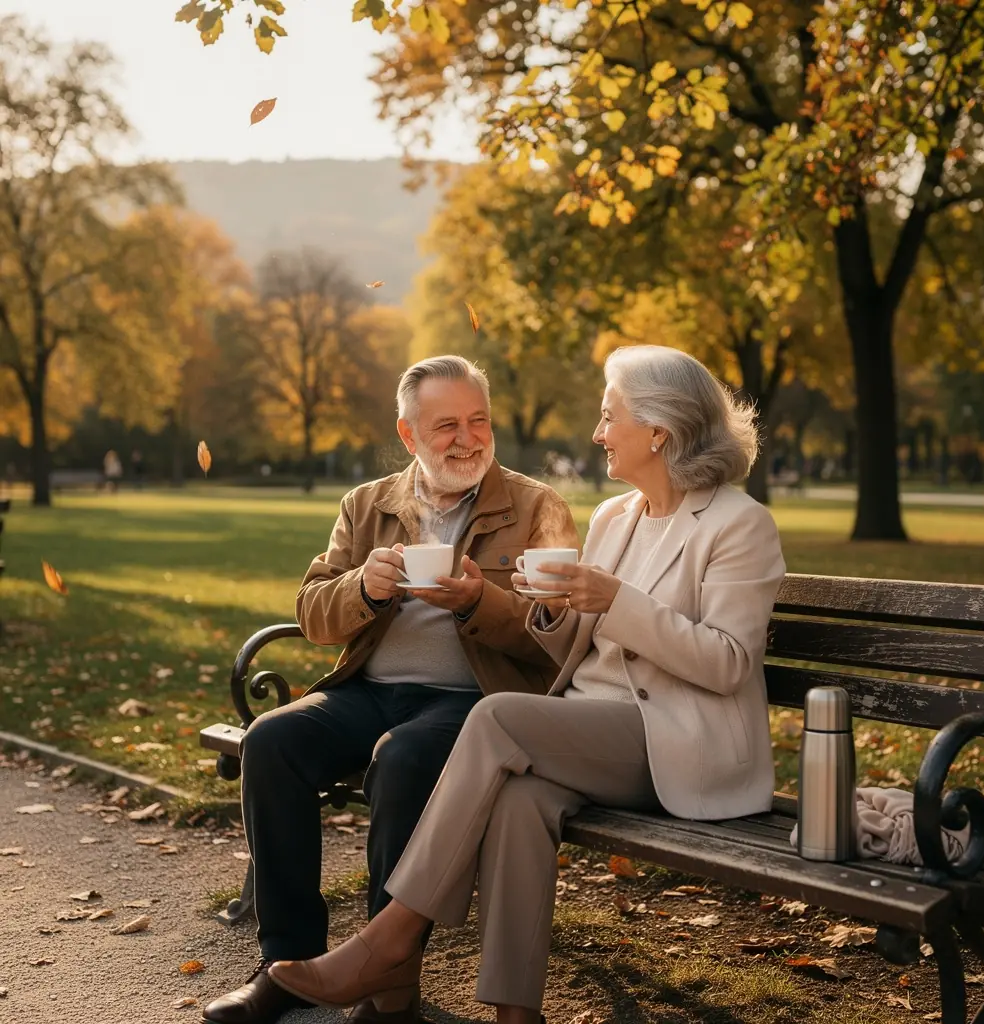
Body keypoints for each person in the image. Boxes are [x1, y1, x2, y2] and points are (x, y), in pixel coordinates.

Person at [267, 345, 787, 1024]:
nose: (599, 433)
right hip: (588, 727)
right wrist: (547, 607)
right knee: (520, 800)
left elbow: (727, 664)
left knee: (498, 719)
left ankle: (390, 939)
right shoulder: (615, 517)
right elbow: (571, 643)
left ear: (658, 430)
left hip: (674, 739)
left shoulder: (738, 524)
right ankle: (516, 1014)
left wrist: (614, 601)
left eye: (610, 418)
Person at [203, 355, 579, 1024]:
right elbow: (314, 610)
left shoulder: (535, 507)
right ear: (409, 436)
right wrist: (365, 589)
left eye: (478, 420)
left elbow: (557, 639)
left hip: (475, 703)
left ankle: (385, 976)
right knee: (271, 739)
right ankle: (286, 964)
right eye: (446, 426)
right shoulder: (368, 503)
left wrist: (476, 602)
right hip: (367, 690)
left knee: (402, 758)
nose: (467, 439)